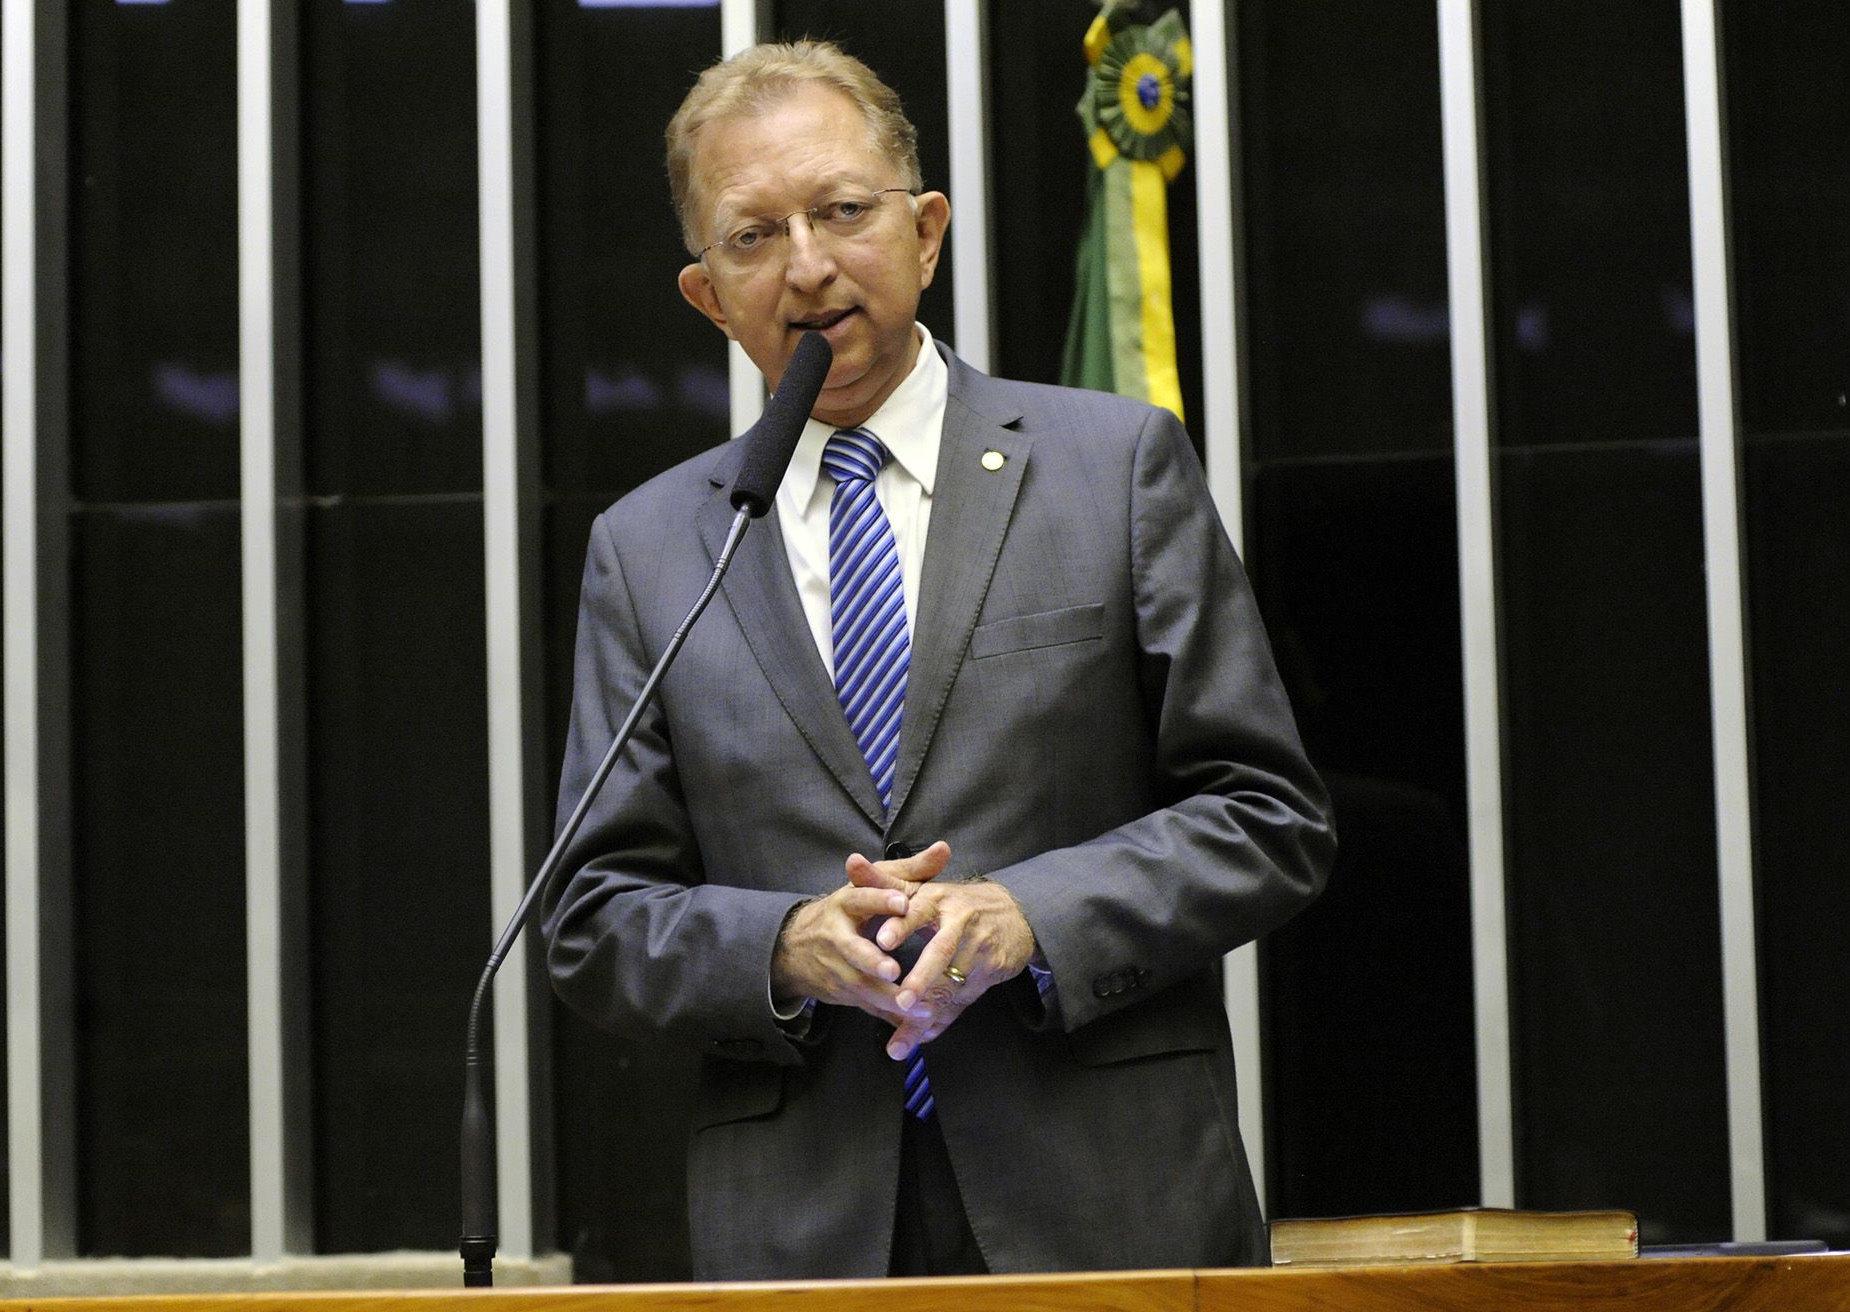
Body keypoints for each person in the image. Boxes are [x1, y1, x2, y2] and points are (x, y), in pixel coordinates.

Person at [542, 40, 1333, 1280]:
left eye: (843, 212)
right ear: (706, 296)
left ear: (925, 232)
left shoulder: (1112, 468)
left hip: (1107, 1198)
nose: (808, 265)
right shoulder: (650, 548)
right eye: (753, 237)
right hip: (803, 1232)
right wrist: (782, 943)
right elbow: (594, 915)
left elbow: (1266, 815)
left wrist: (1032, 915)